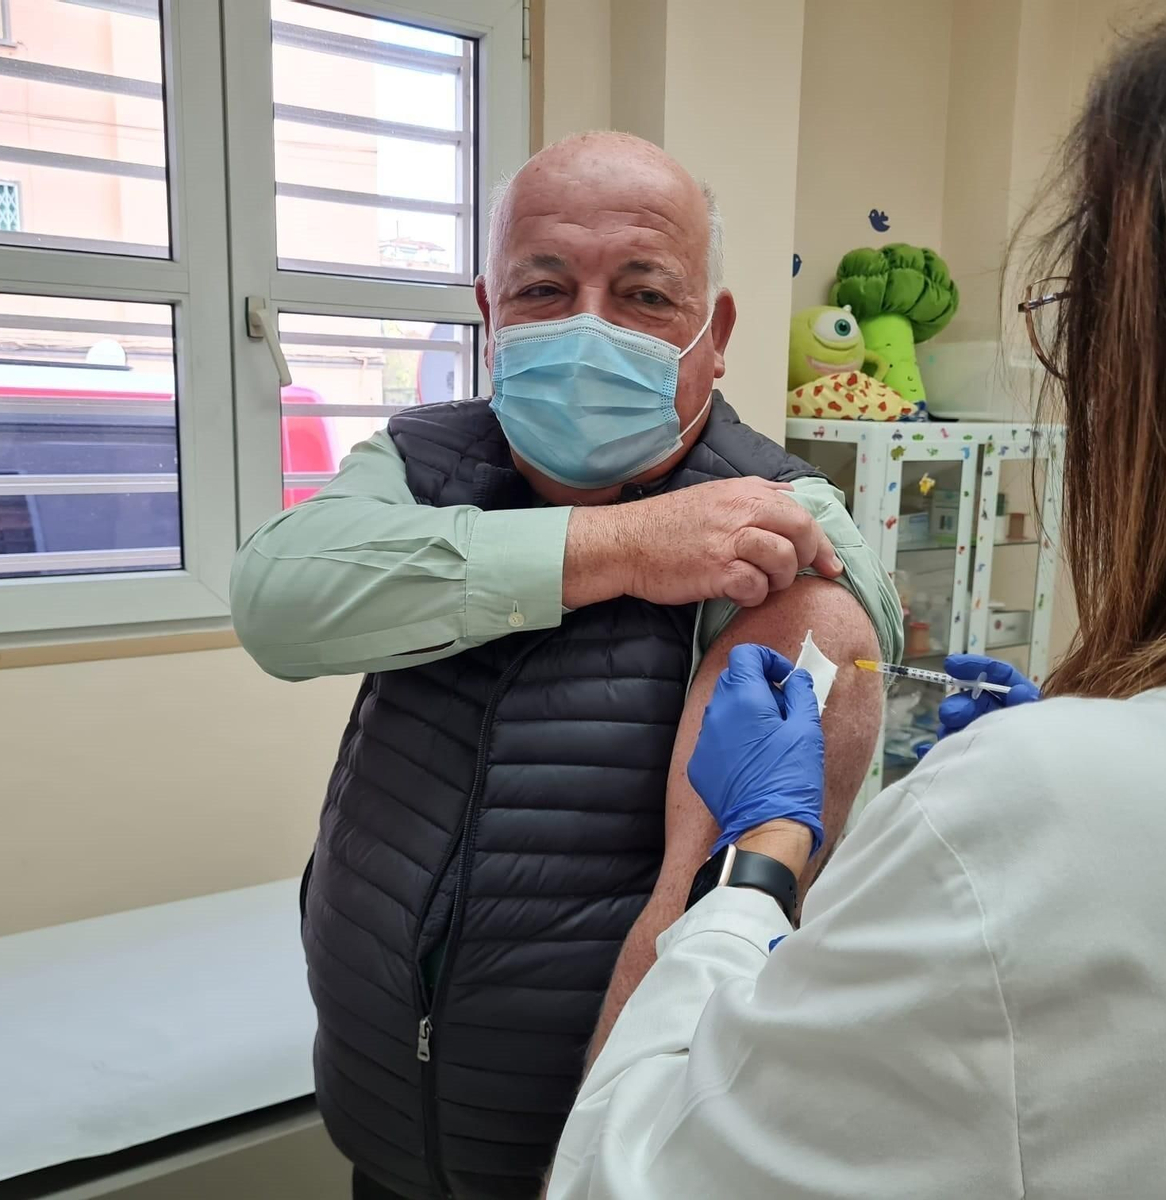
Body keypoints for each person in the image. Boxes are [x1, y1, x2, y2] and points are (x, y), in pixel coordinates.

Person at [548, 0, 1166, 1195]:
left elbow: (629, 1174)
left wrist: (752, 859)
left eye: (644, 293)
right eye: (542, 285)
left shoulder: (1042, 814)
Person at [229, 131, 901, 1200]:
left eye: (643, 295)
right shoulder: (418, 465)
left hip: (579, 1156)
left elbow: (694, 911)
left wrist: (601, 1169)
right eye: (544, 288)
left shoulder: (776, 529)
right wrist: (625, 549)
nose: (589, 327)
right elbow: (277, 603)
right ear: (491, 313)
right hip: (383, 1125)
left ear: (714, 332)